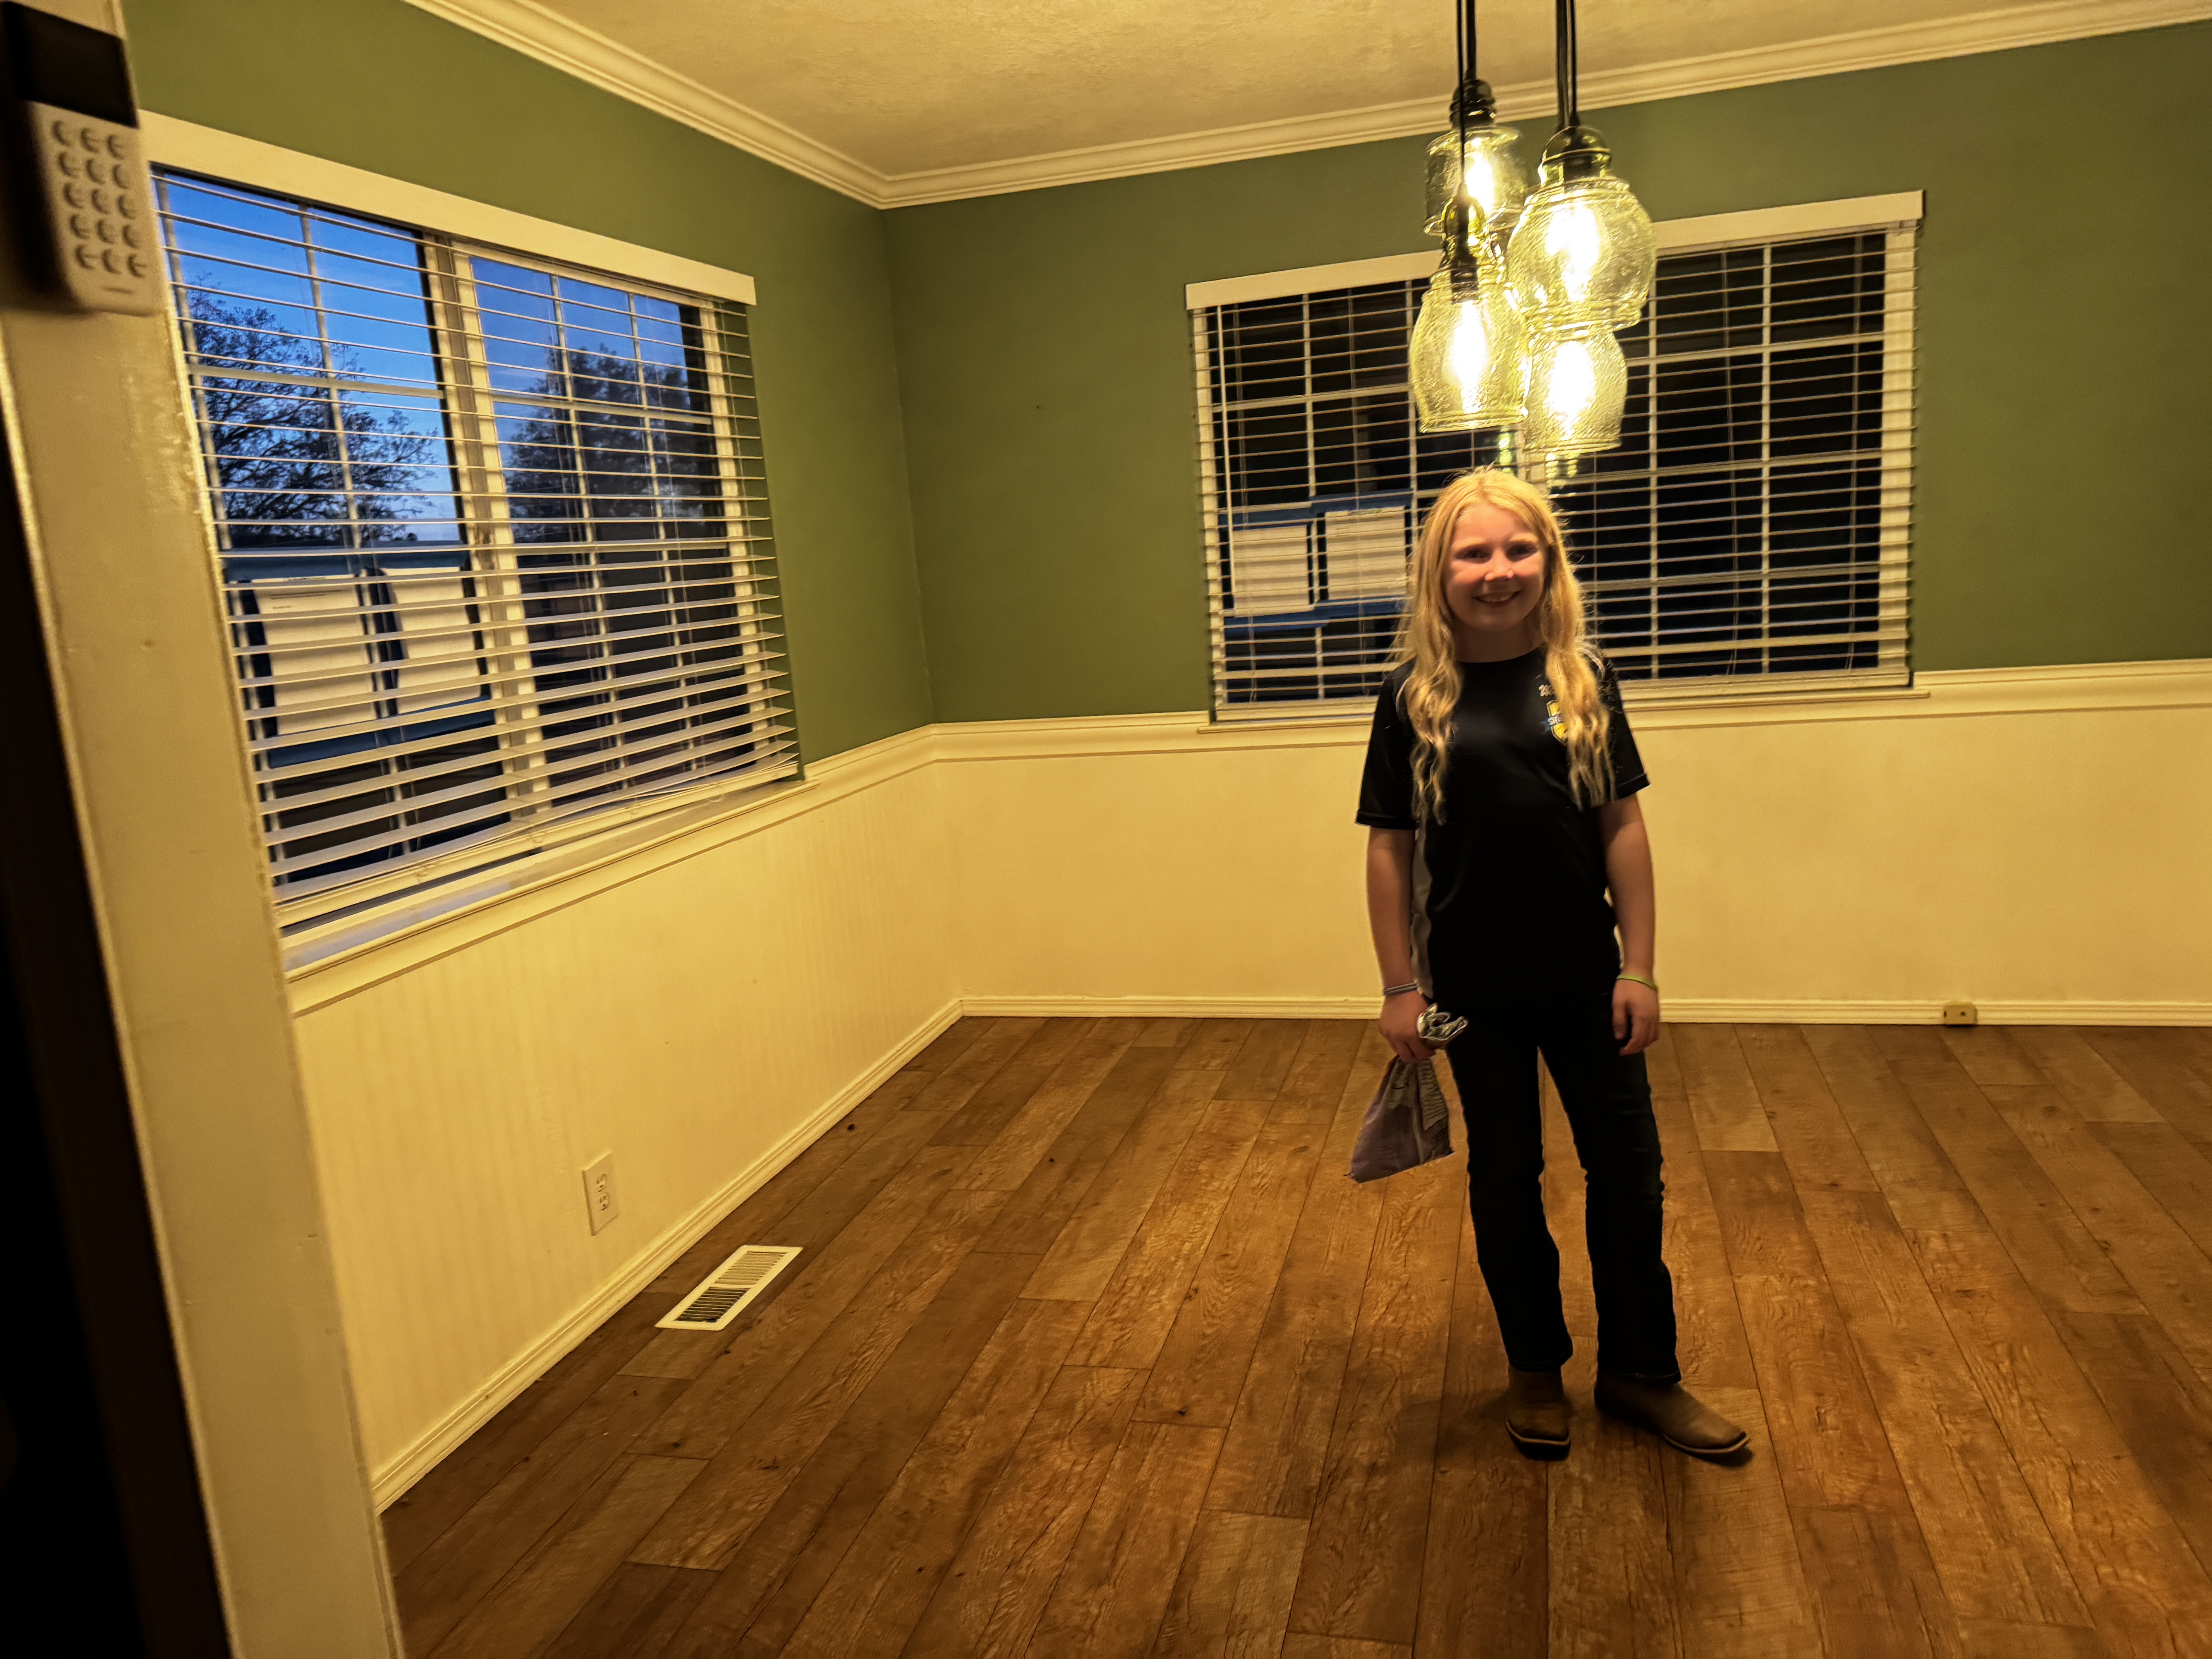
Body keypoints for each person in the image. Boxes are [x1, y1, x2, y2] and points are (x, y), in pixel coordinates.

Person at [1356, 467, 1746, 1460]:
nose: (1498, 570)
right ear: (1439, 574)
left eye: (1518, 549)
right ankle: (1535, 1367)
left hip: (1587, 981)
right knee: (1507, 1175)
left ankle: (1641, 1374)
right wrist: (1400, 987)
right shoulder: (1412, 698)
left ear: (1550, 562)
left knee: (1631, 1174)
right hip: (1472, 992)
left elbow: (1623, 827)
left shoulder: (1583, 680)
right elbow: (1390, 848)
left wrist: (1639, 969)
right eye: (1473, 553)